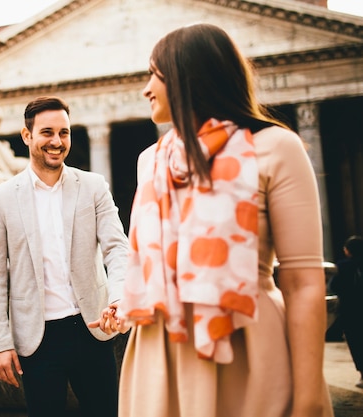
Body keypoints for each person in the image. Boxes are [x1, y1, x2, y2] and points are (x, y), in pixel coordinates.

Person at [89, 23, 333, 416]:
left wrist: (307, 397)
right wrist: (126, 305)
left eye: (154, 74)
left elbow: (303, 281)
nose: (145, 88)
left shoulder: (276, 147)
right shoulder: (149, 161)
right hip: (157, 355)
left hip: (247, 345)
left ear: (189, 75)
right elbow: (146, 265)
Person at [0, 95, 129, 417]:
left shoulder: (93, 186)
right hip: (37, 338)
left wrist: (119, 297)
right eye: (47, 132)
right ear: (27, 136)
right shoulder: (0, 199)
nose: (57, 142)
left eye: (64, 133)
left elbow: (117, 247)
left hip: (92, 329)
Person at [329, 235, 363, 388]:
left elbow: (334, 286)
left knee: (356, 342)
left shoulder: (343, 266)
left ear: (348, 251)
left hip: (351, 310)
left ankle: (362, 375)